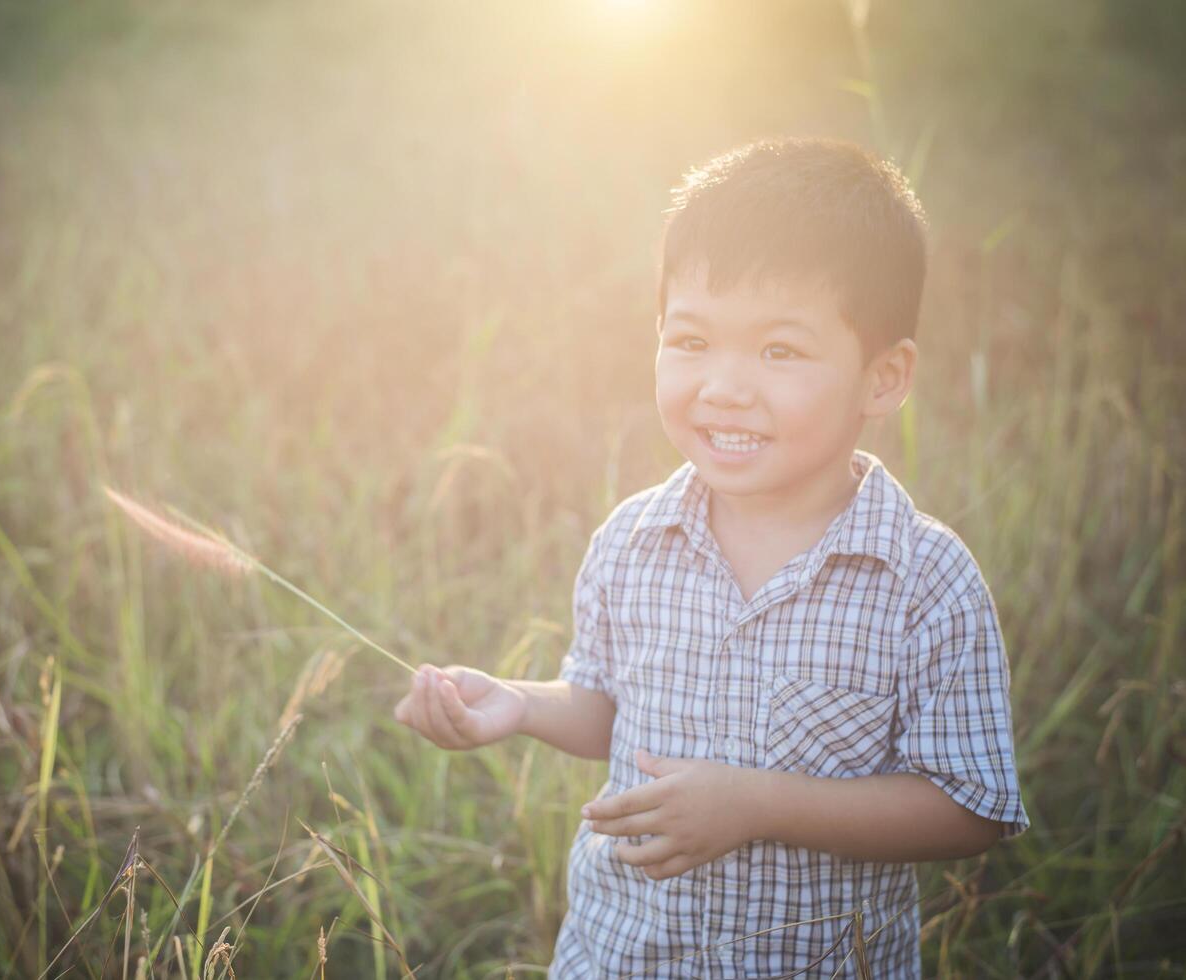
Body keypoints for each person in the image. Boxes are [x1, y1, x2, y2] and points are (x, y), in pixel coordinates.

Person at [392, 137, 1029, 978]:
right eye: (690, 340)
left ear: (882, 379)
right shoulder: (631, 539)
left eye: (779, 351)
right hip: (620, 957)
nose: (723, 385)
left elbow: (967, 809)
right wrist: (513, 702)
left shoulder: (923, 581)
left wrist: (759, 805)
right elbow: (607, 707)